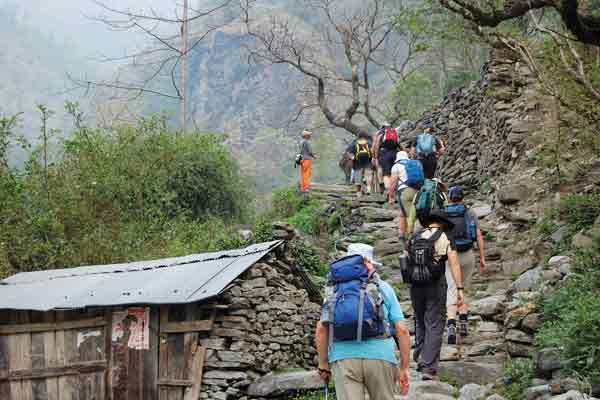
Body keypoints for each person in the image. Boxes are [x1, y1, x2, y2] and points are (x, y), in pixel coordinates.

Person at [316, 243, 411, 399]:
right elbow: (401, 329)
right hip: (381, 356)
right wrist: (404, 367)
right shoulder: (382, 287)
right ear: (369, 263)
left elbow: (321, 329)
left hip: (343, 358)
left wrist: (323, 363)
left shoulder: (333, 289)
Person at [407, 210, 464, 380]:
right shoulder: (445, 237)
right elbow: (454, 265)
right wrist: (459, 289)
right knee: (435, 323)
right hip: (435, 285)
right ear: (442, 223)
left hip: (416, 285)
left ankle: (419, 358)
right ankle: (429, 367)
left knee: (420, 320)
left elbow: (407, 260)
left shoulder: (415, 237)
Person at [443, 186, 487, 344]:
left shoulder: (444, 214)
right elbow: (479, 236)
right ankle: (463, 323)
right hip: (467, 255)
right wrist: (482, 257)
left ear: (450, 198)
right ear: (462, 197)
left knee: (451, 289)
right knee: (463, 289)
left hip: (449, 255)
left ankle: (451, 325)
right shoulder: (470, 213)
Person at [388, 151, 424, 251]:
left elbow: (393, 183)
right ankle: (402, 234)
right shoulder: (414, 164)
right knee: (404, 213)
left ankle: (411, 240)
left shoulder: (396, 166)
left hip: (404, 192)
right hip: (418, 190)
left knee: (410, 216)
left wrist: (391, 197)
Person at [373, 123, 400, 195]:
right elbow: (399, 145)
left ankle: (387, 190)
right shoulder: (395, 133)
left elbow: (376, 146)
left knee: (385, 173)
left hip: (384, 154)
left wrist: (375, 157)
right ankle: (394, 190)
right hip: (395, 154)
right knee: (394, 172)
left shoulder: (380, 134)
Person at [346, 132, 374, 197]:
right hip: (368, 161)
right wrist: (373, 158)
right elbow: (373, 150)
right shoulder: (369, 142)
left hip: (357, 162)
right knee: (368, 175)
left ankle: (358, 193)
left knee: (358, 177)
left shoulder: (354, 142)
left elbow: (348, 152)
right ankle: (368, 189)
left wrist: (352, 158)